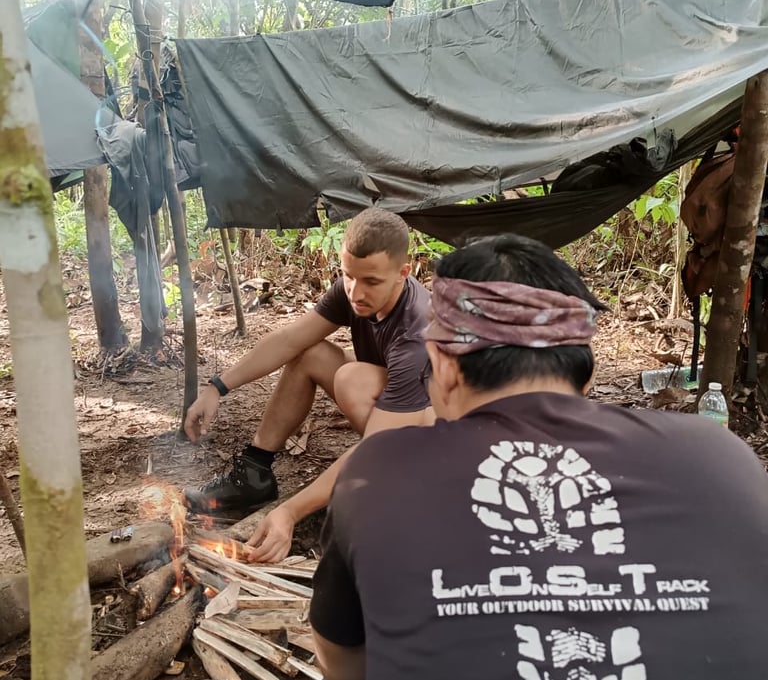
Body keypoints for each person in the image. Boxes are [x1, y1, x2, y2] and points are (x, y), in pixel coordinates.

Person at [309, 233, 768, 680]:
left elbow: (341, 660)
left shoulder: (378, 475)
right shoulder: (719, 455)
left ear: (445, 366)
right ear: (584, 369)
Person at [182, 208, 433, 562]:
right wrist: (217, 387)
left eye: (371, 282)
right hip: (394, 415)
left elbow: (378, 443)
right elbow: (289, 339)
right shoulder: (353, 290)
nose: (356, 292)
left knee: (352, 380)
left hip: (433, 442)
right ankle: (254, 473)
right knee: (309, 352)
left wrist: (290, 513)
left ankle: (394, 484)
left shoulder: (417, 333)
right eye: (348, 276)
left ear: (403, 273)